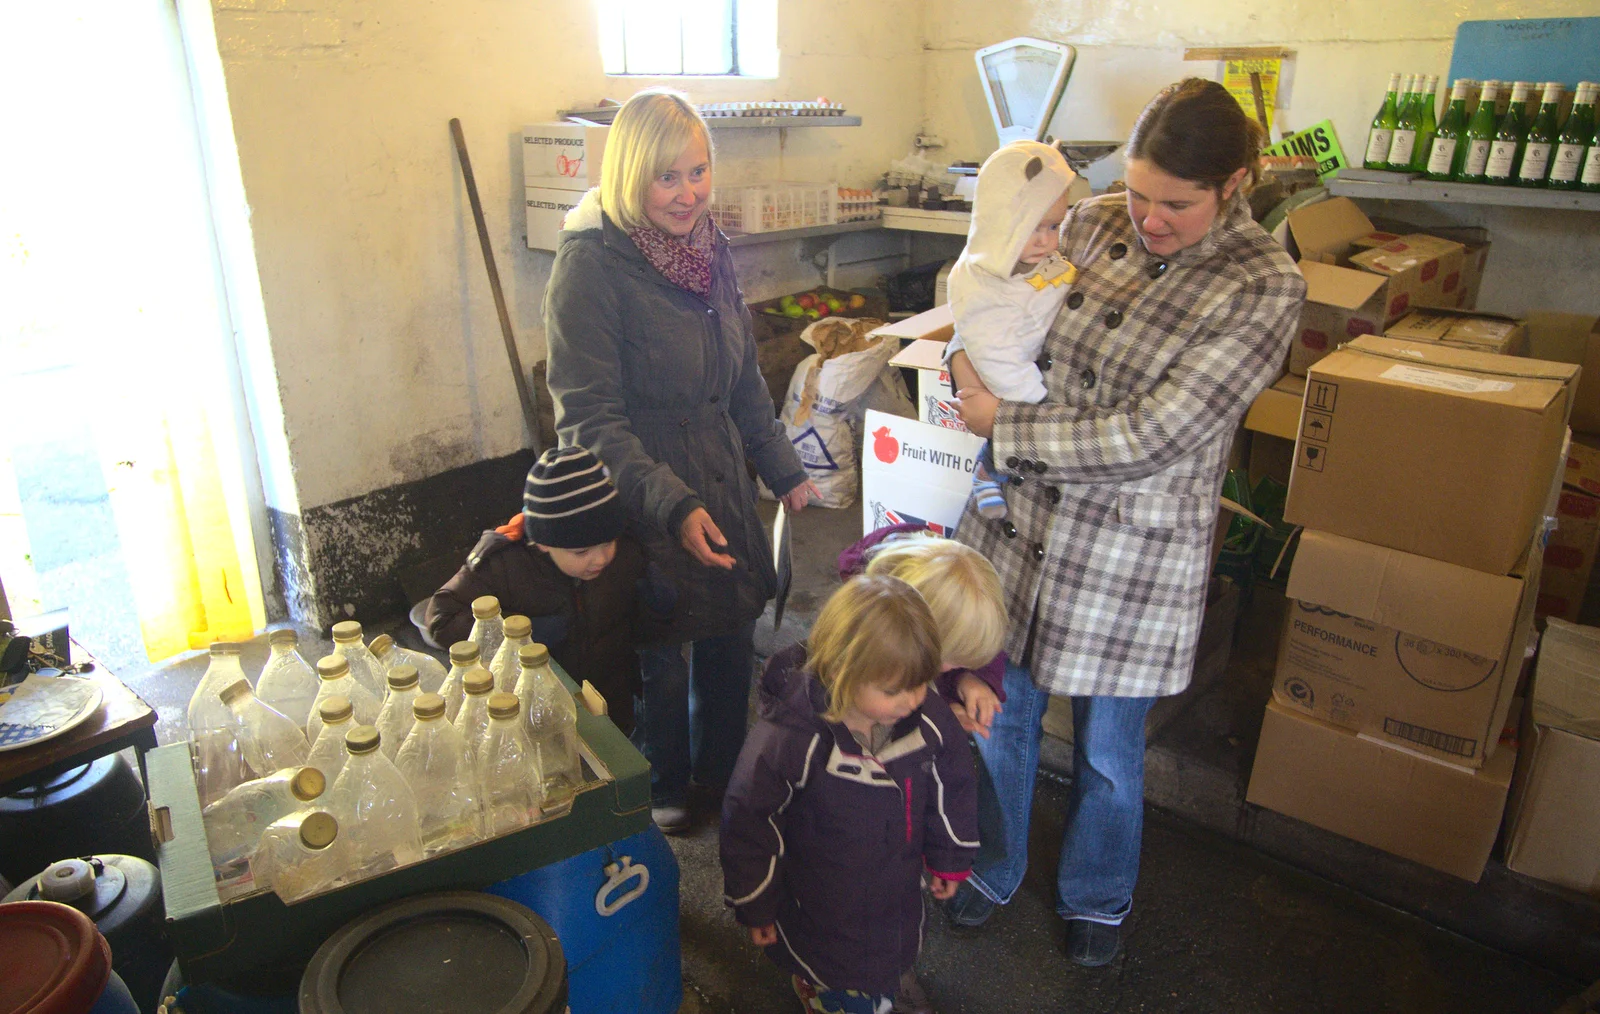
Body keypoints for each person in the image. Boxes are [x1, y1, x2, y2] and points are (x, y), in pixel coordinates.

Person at [940, 78, 1307, 968]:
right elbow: (996, 281)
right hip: (1021, 522)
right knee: (1001, 713)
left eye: (1174, 204)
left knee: (1109, 752)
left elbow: (1154, 433)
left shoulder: (1264, 285)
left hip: (1128, 551)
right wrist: (961, 355)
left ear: (1235, 183)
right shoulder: (1097, 219)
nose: (1147, 219)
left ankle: (1097, 894)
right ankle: (994, 865)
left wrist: (1003, 424)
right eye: (1138, 193)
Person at [543, 88, 811, 833]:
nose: (688, 193)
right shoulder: (591, 268)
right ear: (631, 175)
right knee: (661, 647)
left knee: (729, 628)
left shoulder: (709, 248)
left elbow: (743, 374)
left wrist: (781, 465)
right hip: (641, 485)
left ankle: (723, 773)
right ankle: (662, 784)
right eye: (668, 177)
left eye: (698, 172)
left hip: (718, 470)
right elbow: (587, 417)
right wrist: (671, 503)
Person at [720, 575, 978, 1014]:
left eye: (922, 682)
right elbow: (751, 817)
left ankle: (883, 985)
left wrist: (950, 858)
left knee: (886, 949)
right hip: (819, 899)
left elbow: (952, 783)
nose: (915, 700)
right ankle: (834, 996)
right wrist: (756, 900)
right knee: (833, 973)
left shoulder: (926, 716)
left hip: (894, 888)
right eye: (896, 689)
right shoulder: (791, 736)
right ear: (842, 672)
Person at [424, 445, 664, 735]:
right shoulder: (503, 565)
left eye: (608, 542)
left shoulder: (625, 555)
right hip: (531, 712)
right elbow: (441, 616)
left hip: (608, 704)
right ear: (544, 542)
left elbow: (634, 630)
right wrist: (519, 634)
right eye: (582, 551)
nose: (600, 558)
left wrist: (656, 611)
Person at [946, 141, 1078, 520]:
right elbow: (995, 360)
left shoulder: (1031, 258)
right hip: (1014, 387)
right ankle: (987, 471)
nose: (1047, 240)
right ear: (1001, 221)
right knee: (998, 432)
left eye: (1055, 226)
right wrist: (1038, 408)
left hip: (1031, 370)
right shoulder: (980, 285)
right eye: (1033, 227)